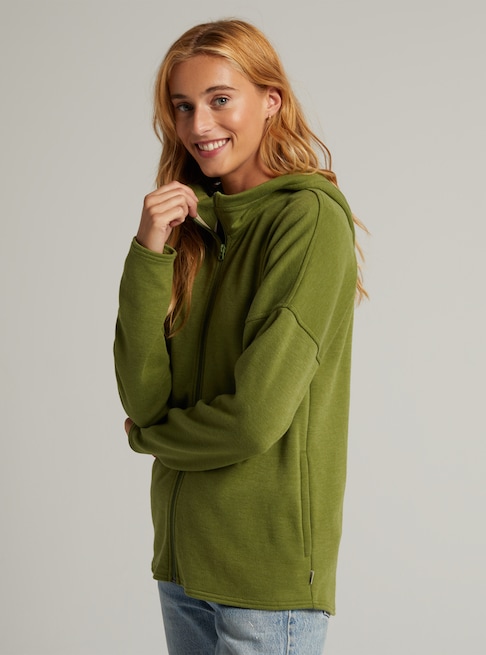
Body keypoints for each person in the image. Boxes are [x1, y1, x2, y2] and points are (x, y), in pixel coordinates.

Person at [114, 18, 366, 655]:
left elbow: (254, 418)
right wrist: (149, 250)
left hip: (264, 581)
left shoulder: (308, 219)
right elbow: (143, 397)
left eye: (220, 99)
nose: (199, 125)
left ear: (270, 100)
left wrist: (150, 439)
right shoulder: (190, 228)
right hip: (182, 566)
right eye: (183, 106)